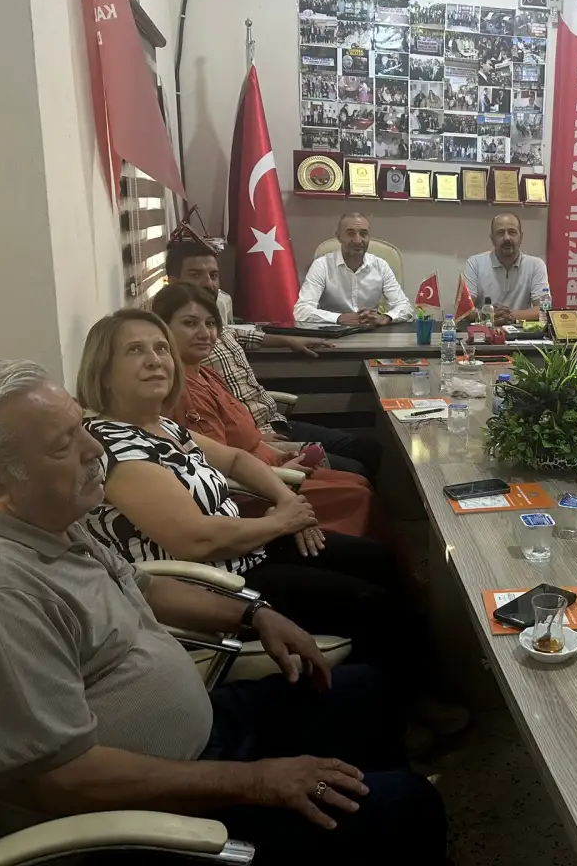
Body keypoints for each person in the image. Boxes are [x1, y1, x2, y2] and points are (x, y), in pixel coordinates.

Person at [0, 359, 445, 859]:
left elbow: (142, 586)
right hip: (143, 817)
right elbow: (67, 781)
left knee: (365, 690)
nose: (95, 450)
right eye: (64, 445)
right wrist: (258, 780)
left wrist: (255, 614)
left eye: (82, 427)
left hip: (200, 736)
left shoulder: (47, 519)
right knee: (407, 804)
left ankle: (357, 805)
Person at [75, 309, 403, 668]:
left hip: (246, 549)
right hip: (212, 585)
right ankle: (380, 687)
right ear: (103, 373)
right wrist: (281, 522)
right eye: (135, 350)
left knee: (377, 559)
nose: (154, 360)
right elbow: (196, 540)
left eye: (161, 348)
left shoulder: (161, 425)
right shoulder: (114, 447)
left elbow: (235, 459)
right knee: (375, 605)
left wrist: (286, 499)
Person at [150, 282, 382, 542]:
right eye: (190, 323)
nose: (204, 333)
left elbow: (238, 436)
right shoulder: (181, 392)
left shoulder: (205, 373)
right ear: (162, 329)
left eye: (210, 324)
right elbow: (218, 470)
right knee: (359, 493)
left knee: (360, 483)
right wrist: (281, 472)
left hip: (272, 465)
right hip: (253, 493)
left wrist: (273, 451)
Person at [167, 240, 382, 477]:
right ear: (173, 282)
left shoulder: (217, 328)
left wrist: (290, 341)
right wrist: (255, 437)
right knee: (357, 471)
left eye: (213, 275)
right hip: (258, 440)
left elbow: (244, 334)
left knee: (368, 448)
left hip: (275, 422)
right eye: (196, 275)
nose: (208, 283)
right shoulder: (179, 351)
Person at [295, 212, 414, 325]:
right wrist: (340, 318)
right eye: (350, 233)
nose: (358, 240)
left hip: (371, 331)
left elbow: (405, 307)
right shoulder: (322, 265)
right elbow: (301, 311)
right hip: (332, 332)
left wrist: (385, 317)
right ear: (339, 237)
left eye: (363, 234)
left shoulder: (380, 266)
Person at [460, 212, 549, 324]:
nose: (507, 238)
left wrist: (509, 315)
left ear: (521, 237)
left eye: (512, 232)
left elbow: (543, 310)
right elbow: (465, 311)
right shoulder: (475, 263)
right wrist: (491, 316)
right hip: (486, 330)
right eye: (500, 233)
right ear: (492, 239)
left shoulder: (536, 265)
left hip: (522, 331)